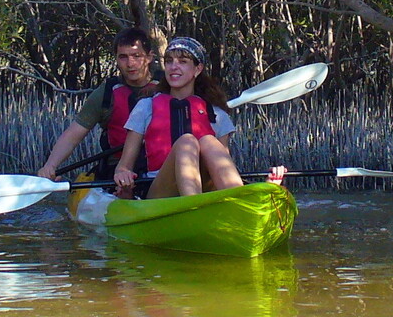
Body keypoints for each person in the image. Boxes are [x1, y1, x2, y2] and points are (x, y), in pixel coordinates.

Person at [113, 37, 286, 198]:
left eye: (182, 62)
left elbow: (223, 167)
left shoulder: (216, 114)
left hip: (205, 187)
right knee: (187, 141)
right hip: (159, 188)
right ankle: (193, 205)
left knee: (208, 141)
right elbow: (124, 166)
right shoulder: (146, 107)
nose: (173, 67)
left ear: (198, 69)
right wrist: (123, 175)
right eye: (169, 61)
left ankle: (241, 200)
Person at [36, 27, 160, 181]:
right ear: (115, 59)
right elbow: (72, 136)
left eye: (136, 56)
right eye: (123, 57)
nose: (130, 63)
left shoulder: (168, 86)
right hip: (116, 171)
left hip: (160, 168)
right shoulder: (106, 93)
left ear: (149, 57)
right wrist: (50, 166)